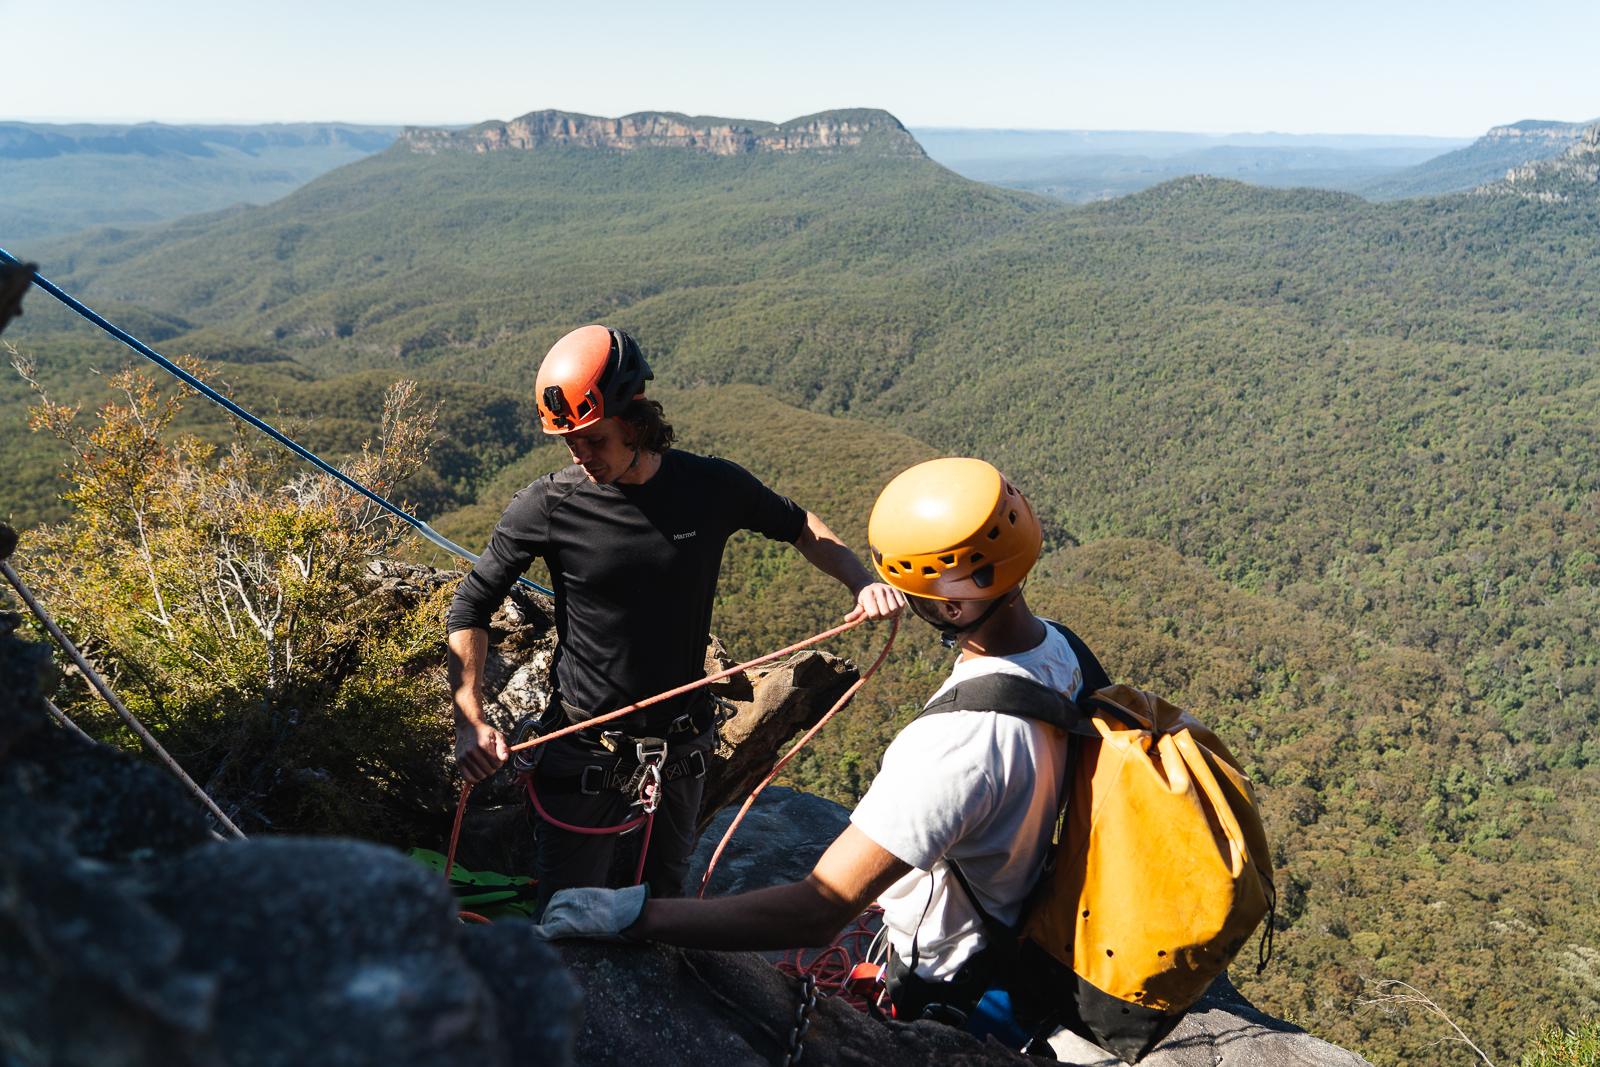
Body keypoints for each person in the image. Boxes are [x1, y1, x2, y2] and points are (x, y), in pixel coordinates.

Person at [530, 456, 1110, 1050]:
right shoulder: (1064, 650)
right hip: (1016, 930)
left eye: (914, 595)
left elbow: (815, 911)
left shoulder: (955, 745)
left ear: (952, 608)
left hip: (940, 977)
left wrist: (630, 916)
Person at [446, 324, 903, 914]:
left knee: (663, 906)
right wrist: (469, 718)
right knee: (565, 914)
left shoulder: (708, 487)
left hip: (684, 749)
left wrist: (863, 582)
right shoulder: (548, 506)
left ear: (634, 422)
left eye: (595, 440)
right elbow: (470, 607)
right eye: (571, 444)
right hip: (588, 747)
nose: (583, 457)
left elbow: (801, 527)